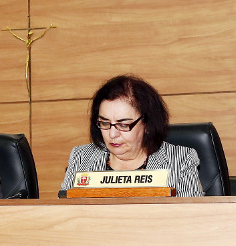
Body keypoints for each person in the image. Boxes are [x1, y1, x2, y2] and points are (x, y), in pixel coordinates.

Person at [61, 74, 204, 197]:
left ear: (147, 124)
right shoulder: (81, 157)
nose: (112, 134)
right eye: (104, 123)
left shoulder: (180, 160)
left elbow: (192, 218)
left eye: (123, 125)